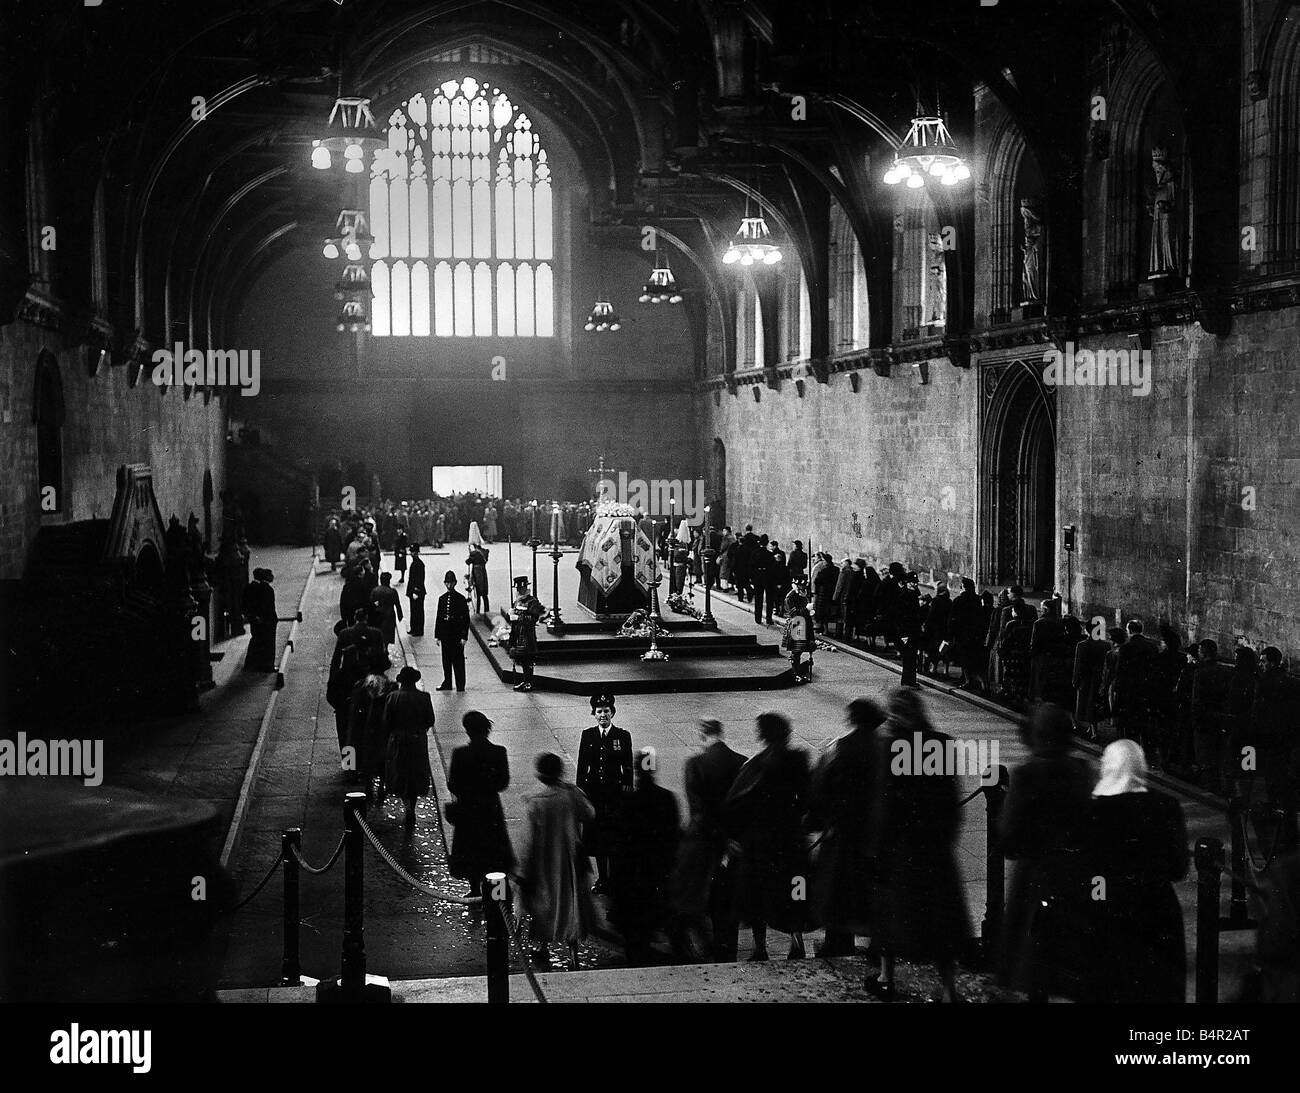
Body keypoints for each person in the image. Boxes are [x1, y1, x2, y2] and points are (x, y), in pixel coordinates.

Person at [866, 688, 971, 1002]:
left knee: (888, 918)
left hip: (901, 849)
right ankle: (949, 990)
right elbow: (952, 802)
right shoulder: (940, 744)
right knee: (942, 924)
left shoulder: (890, 748)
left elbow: (885, 806)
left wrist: (878, 848)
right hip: (935, 850)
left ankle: (887, 977)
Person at [998, 704, 1096, 1002]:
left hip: (1036, 877)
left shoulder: (1027, 773)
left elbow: (1010, 836)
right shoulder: (1082, 771)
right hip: (1074, 876)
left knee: (1034, 961)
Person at [1082, 739, 1189, 1002]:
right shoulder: (1167, 806)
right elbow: (1177, 868)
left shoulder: (1094, 810)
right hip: (1159, 912)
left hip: (1110, 913)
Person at [722, 712, 811, 962]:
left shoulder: (756, 765)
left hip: (761, 842)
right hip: (791, 840)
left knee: (756, 896)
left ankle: (760, 948)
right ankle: (797, 942)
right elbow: (808, 799)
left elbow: (733, 802)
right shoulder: (798, 760)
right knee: (795, 892)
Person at [808, 698, 885, 958]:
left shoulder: (840, 747)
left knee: (838, 890)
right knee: (871, 891)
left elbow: (820, 785)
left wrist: (818, 820)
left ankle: (837, 944)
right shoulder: (886, 748)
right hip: (874, 831)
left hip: (844, 832)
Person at [669, 719, 747, 961]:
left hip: (705, 845)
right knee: (727, 903)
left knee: (695, 898)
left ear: (702, 735)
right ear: (720, 733)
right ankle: (728, 951)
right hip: (734, 847)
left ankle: (700, 948)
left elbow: (698, 812)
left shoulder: (695, 764)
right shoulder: (741, 761)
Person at [517, 752, 596, 969]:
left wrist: (523, 872)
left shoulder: (535, 803)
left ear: (540, 775)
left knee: (543, 906)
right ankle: (572, 951)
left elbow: (528, 842)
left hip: (543, 865)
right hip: (569, 862)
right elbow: (590, 813)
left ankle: (542, 944)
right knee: (571, 906)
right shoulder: (570, 795)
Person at [610, 748, 681, 965]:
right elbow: (673, 834)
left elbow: (620, 840)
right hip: (658, 868)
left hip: (633, 871)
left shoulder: (627, 801)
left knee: (634, 924)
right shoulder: (667, 798)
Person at [446, 711, 514, 898]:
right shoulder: (499, 752)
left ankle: (474, 888)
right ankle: (497, 895)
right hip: (490, 808)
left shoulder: (460, 754)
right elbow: (503, 782)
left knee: (470, 848)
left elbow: (452, 784)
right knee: (494, 851)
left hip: (468, 808)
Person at [576, 690, 634, 892]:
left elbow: (627, 764)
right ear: (594, 713)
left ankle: (615, 878)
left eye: (606, 711)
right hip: (594, 793)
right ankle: (602, 878)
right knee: (598, 839)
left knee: (614, 837)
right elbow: (582, 765)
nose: (603, 715)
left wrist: (628, 783)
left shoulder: (622, 736)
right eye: (599, 711)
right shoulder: (588, 735)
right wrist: (579, 790)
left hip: (614, 793)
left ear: (613, 713)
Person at [383, 666, 435, 829]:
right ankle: (412, 806)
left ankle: (406, 805)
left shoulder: (392, 697)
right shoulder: (424, 697)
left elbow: (386, 721)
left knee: (400, 771)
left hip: (398, 739)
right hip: (418, 739)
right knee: (415, 771)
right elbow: (430, 720)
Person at [347, 672, 394, 800]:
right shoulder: (386, 688)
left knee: (367, 759)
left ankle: (368, 786)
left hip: (366, 729)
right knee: (382, 759)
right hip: (381, 730)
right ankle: (381, 787)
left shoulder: (360, 688)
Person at [433, 570, 471, 692]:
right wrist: (437, 635)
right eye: (447, 583)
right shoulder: (442, 599)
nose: (449, 585)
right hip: (445, 634)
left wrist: (464, 636)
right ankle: (447, 682)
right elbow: (439, 617)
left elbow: (466, 618)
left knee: (458, 660)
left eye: (451, 583)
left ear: (455, 583)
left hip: (456, 634)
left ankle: (460, 684)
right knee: (446, 660)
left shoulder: (460, 599)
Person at [507, 576, 545, 691]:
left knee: (528, 659)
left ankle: (529, 682)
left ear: (525, 587)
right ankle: (525, 680)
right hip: (518, 634)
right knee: (522, 659)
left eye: (521, 587)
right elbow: (512, 619)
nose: (519, 590)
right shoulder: (517, 601)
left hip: (527, 635)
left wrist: (518, 617)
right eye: (517, 588)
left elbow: (533, 618)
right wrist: (510, 615)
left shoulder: (532, 602)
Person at [242, 567, 277, 671]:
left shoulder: (248, 587)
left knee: (256, 640)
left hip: (255, 620)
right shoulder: (266, 589)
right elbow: (269, 607)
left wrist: (252, 616)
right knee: (268, 644)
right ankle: (267, 665)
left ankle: (251, 664)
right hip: (267, 620)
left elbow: (245, 604)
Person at [779, 588, 815, 683]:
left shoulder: (803, 595)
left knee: (801, 649)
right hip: (796, 624)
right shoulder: (790, 597)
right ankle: (796, 674)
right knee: (796, 651)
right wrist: (806, 609)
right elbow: (794, 614)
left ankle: (798, 673)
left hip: (805, 624)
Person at [369, 571, 403, 649]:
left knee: (379, 632)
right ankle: (386, 647)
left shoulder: (375, 590)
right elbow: (397, 604)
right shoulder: (392, 591)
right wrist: (400, 616)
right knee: (388, 633)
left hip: (378, 615)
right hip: (389, 615)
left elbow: (371, 603)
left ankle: (380, 647)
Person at [749, 534, 773, 624]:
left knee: (758, 598)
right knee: (769, 599)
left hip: (757, 576)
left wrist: (751, 578)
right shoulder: (770, 554)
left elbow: (751, 566)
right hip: (767, 577)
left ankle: (758, 618)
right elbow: (772, 568)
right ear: (767, 543)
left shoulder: (755, 553)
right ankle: (768, 619)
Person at [406, 544, 427, 636]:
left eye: (414, 552)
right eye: (411, 552)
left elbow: (420, 579)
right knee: (413, 610)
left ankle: (419, 630)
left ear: (417, 552)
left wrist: (416, 591)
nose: (412, 554)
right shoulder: (415, 563)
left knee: (418, 611)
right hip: (413, 591)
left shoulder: (419, 564)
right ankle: (414, 628)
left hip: (417, 591)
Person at [466, 541, 490, 615]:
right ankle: (487, 611)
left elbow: (467, 562)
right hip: (483, 572)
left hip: (477, 573)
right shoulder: (484, 552)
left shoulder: (474, 554)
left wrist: (470, 554)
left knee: (478, 593)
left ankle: (478, 612)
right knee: (485, 594)